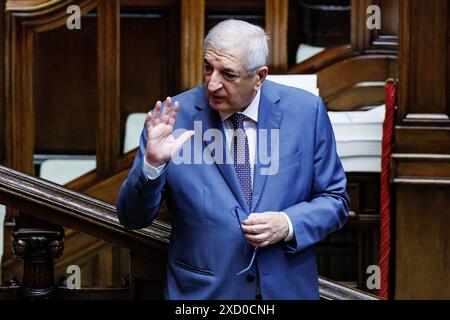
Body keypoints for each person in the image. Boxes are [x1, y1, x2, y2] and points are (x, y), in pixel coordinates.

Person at [117, 19, 349, 300]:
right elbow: (131, 218)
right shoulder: (173, 118)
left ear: (259, 77)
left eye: (228, 74)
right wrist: (151, 165)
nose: (213, 84)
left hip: (286, 290)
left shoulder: (305, 112)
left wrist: (287, 223)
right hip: (204, 294)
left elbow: (335, 201)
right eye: (208, 68)